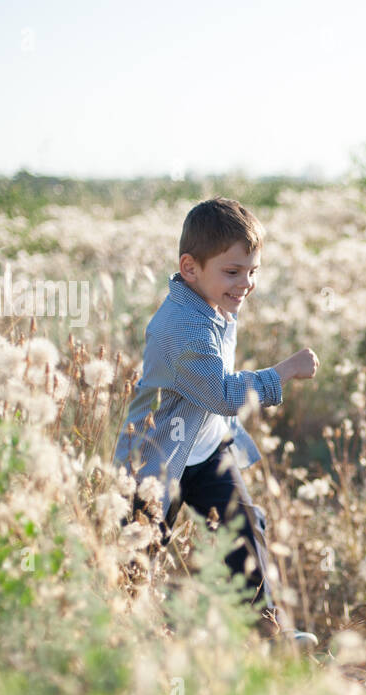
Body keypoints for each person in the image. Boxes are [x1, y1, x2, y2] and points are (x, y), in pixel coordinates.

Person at [113, 197, 319, 645]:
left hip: (206, 451)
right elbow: (224, 394)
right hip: (155, 461)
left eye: (252, 271)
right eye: (232, 271)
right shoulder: (180, 327)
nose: (245, 283)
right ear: (190, 268)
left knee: (245, 528)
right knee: (138, 557)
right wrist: (283, 371)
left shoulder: (215, 301)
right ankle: (120, 642)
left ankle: (267, 639)